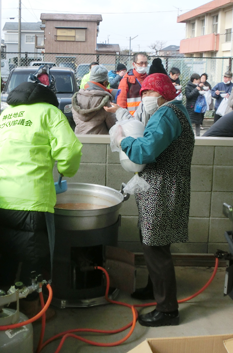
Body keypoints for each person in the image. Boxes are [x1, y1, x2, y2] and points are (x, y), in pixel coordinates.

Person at [106, 73, 194, 327]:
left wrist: (122, 140)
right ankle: (153, 288)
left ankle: (167, 310)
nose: (145, 97)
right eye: (143, 92)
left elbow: (144, 150)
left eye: (150, 92)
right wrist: (120, 112)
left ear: (164, 94)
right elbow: (143, 127)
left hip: (162, 189)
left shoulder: (167, 114)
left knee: (156, 247)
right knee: (152, 241)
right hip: (164, 186)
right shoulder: (174, 111)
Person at [0, 75, 82, 295]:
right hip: (32, 200)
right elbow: (71, 150)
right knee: (35, 259)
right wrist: (65, 171)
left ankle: (3, 305)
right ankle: (32, 310)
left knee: (8, 254)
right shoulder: (50, 112)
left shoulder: (6, 115)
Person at [71, 64, 116, 134]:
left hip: (79, 137)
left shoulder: (76, 98)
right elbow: (113, 125)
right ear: (105, 83)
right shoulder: (104, 101)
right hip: (99, 139)